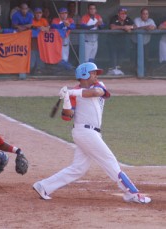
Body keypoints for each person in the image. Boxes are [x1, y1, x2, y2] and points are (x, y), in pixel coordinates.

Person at [33, 62, 151, 204]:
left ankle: (44, 186)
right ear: (84, 74)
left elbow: (96, 93)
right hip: (84, 132)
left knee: (78, 168)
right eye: (93, 73)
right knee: (110, 162)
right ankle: (132, 194)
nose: (96, 75)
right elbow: (67, 117)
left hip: (91, 133)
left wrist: (70, 92)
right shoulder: (73, 94)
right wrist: (66, 100)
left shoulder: (98, 86)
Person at [109, 7, 135, 75]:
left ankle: (118, 69)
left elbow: (134, 26)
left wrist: (129, 27)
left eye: (125, 13)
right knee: (113, 56)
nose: (124, 15)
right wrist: (124, 27)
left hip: (122, 42)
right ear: (118, 14)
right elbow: (112, 27)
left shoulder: (127, 19)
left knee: (121, 56)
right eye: (122, 13)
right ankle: (112, 70)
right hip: (113, 41)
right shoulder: (114, 18)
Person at [132, 8, 156, 74]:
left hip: (146, 42)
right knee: (136, 58)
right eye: (144, 14)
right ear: (141, 14)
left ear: (148, 15)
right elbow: (136, 28)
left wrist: (152, 27)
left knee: (146, 57)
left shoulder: (150, 20)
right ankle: (135, 72)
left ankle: (145, 72)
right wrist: (146, 27)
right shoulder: (137, 19)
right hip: (136, 42)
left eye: (146, 14)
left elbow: (154, 27)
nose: (145, 15)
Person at [31, 7, 50, 74]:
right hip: (32, 46)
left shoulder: (43, 20)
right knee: (31, 65)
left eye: (40, 13)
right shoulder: (31, 20)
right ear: (34, 14)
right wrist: (39, 28)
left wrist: (44, 28)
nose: (38, 14)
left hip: (41, 46)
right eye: (37, 13)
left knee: (40, 66)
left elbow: (48, 28)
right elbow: (32, 27)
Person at [67, 1, 81, 66]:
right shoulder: (66, 17)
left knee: (76, 57)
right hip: (67, 40)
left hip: (76, 40)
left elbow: (80, 26)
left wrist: (71, 25)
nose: (72, 8)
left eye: (73, 6)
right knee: (68, 57)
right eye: (71, 6)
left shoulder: (77, 17)